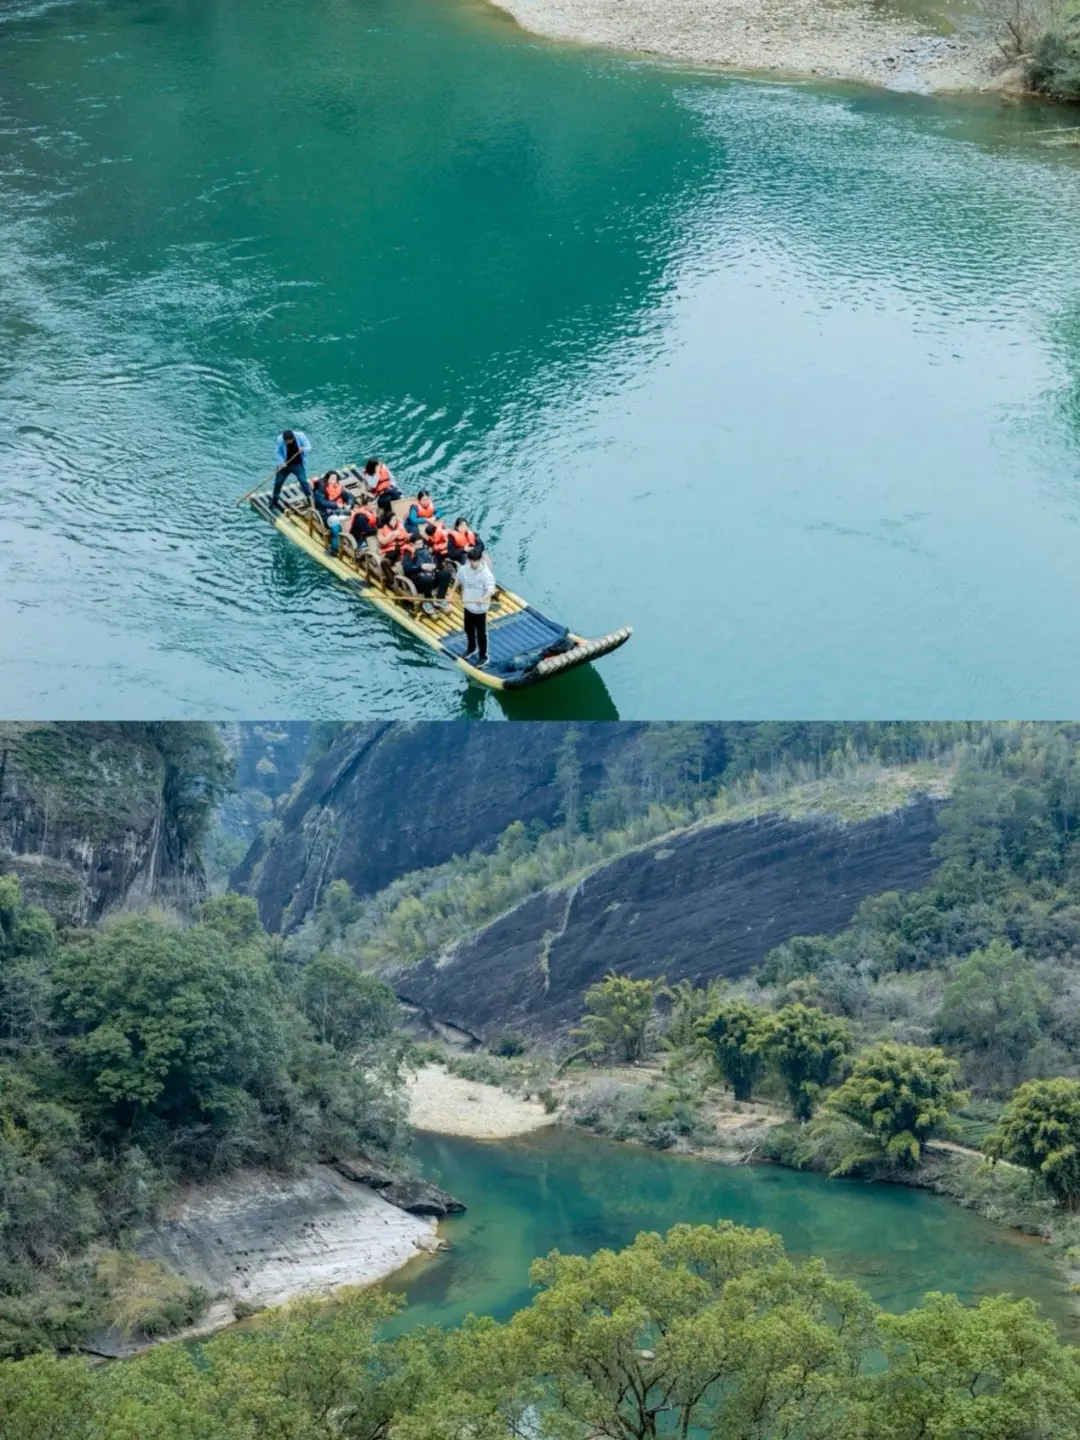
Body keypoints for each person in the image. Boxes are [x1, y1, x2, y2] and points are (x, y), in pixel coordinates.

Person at [454, 545, 496, 666]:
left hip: (480, 609)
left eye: (476, 561)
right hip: (468, 605)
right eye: (472, 560)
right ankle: (471, 648)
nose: (473, 563)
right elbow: (458, 580)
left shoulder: (486, 574)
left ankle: (483, 656)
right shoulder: (464, 569)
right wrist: (450, 594)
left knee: (481, 633)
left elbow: (490, 590)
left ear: (480, 560)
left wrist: (483, 599)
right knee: (468, 629)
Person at [403, 535, 452, 606]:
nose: (420, 546)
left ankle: (440, 599)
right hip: (418, 582)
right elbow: (407, 569)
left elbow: (434, 559)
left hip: (430, 576)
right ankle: (428, 601)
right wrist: (421, 568)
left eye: (421, 543)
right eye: (418, 544)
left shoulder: (425, 550)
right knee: (428, 580)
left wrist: (435, 565)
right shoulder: (408, 554)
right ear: (412, 544)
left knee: (446, 575)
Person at [313, 470, 352, 556]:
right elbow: (321, 502)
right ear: (327, 479)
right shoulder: (321, 489)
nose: (333, 481)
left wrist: (349, 504)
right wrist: (336, 504)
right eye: (331, 479)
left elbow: (349, 497)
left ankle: (350, 543)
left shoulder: (339, 488)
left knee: (353, 519)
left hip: (339, 512)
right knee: (336, 526)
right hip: (326, 514)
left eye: (335, 479)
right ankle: (334, 549)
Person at [272, 429, 311, 508]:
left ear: (293, 438)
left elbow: (309, 447)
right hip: (285, 464)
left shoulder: (301, 436)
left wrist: (303, 449)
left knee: (303, 481)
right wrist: (281, 462)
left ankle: (310, 498)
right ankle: (274, 500)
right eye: (285, 441)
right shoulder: (280, 439)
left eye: (288, 441)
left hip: (297, 464)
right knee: (278, 482)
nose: (287, 443)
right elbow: (277, 452)